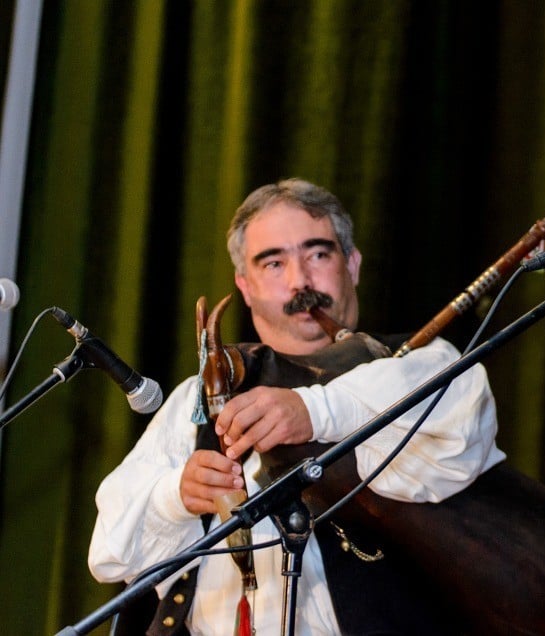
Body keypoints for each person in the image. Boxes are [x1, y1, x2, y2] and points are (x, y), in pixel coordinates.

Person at [88, 178, 506, 634]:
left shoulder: (422, 365)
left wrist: (312, 410)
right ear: (244, 287)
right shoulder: (198, 397)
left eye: (318, 254)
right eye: (273, 263)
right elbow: (110, 553)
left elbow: (460, 422)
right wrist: (176, 497)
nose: (300, 280)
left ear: (353, 264)